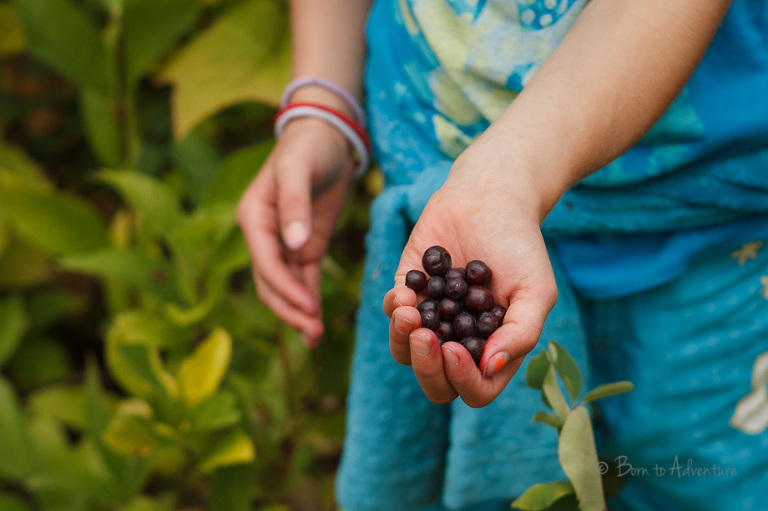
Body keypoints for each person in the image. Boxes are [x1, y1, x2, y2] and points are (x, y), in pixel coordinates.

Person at [236, 0, 768, 509]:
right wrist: (324, 106)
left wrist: (507, 177)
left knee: (702, 481)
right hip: (447, 188)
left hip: (706, 231)